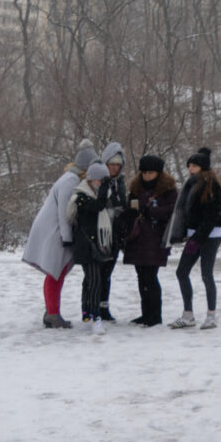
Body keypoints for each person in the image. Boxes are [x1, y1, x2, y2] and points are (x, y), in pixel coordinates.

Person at [21, 139, 96, 328]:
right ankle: (53, 313)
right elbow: (65, 212)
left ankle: (51, 311)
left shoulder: (69, 178)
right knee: (56, 273)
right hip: (55, 232)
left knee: (55, 273)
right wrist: (68, 238)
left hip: (53, 230)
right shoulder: (71, 181)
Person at [168, 147, 221, 330]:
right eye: (189, 165)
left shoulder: (212, 186)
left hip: (210, 236)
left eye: (193, 165)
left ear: (202, 167)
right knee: (181, 271)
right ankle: (188, 314)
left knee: (206, 274)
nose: (190, 168)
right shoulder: (191, 184)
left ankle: (211, 315)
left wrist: (198, 238)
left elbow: (211, 216)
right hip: (194, 236)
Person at [121, 154, 177, 326]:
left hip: (156, 238)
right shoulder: (136, 189)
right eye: (144, 172)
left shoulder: (168, 190)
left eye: (150, 172)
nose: (146, 175)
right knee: (141, 277)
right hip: (137, 239)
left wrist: (151, 212)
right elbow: (130, 208)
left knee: (150, 277)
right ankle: (146, 313)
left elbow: (172, 211)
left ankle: (155, 315)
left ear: (158, 173)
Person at [68, 160, 118, 334]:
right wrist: (105, 189)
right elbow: (97, 207)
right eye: (99, 180)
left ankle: (87, 312)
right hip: (86, 245)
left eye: (103, 181)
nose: (101, 184)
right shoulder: (81, 197)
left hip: (100, 244)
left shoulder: (106, 195)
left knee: (92, 280)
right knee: (93, 280)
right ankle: (94, 316)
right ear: (90, 180)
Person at [94, 142, 127, 322]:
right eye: (111, 164)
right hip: (100, 233)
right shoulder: (100, 181)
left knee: (107, 273)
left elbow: (122, 204)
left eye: (117, 164)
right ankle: (93, 307)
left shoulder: (120, 183)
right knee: (96, 274)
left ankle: (104, 306)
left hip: (115, 234)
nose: (114, 167)